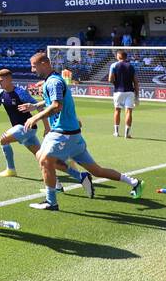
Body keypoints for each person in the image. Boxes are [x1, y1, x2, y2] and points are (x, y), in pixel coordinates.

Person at [25, 53, 143, 211]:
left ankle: (51, 201)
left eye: (34, 66)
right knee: (97, 171)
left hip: (63, 134)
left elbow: (56, 106)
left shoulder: (53, 82)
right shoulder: (52, 80)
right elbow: (53, 103)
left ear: (45, 63)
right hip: (73, 136)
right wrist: (35, 106)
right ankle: (134, 182)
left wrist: (36, 117)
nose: (32, 70)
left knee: (45, 160)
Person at [0, 69, 86, 188]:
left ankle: (11, 169)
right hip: (24, 129)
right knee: (43, 158)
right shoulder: (0, 93)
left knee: (3, 140)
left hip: (26, 127)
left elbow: (39, 107)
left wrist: (47, 127)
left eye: (1, 80)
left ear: (9, 79)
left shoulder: (20, 92)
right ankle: (77, 176)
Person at [108, 49, 139, 138]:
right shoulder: (131, 66)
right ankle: (127, 133)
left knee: (117, 110)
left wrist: (115, 81)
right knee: (129, 111)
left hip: (118, 91)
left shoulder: (114, 65)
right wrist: (137, 96)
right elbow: (136, 82)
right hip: (130, 91)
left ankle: (116, 132)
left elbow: (110, 79)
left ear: (118, 56)